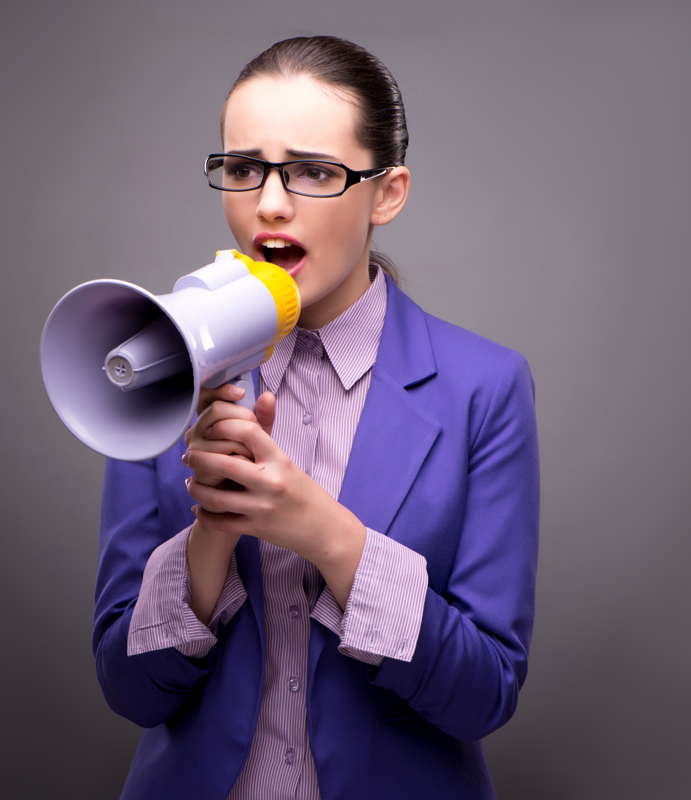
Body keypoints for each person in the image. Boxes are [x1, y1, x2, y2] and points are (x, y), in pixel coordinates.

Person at [93, 36, 539, 800]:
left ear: (387, 193)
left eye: (313, 172)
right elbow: (129, 692)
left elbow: (483, 694)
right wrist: (211, 537)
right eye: (243, 169)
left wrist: (325, 534)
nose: (269, 202)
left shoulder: (485, 388)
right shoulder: (164, 366)